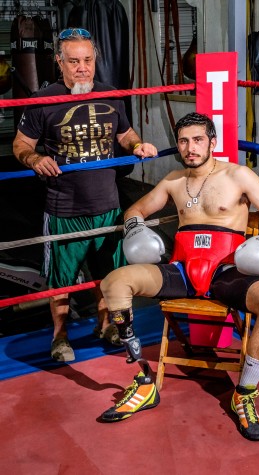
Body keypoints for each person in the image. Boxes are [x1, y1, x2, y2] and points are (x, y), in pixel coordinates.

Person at [98, 112, 259, 441]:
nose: (191, 147)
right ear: (178, 145)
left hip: (226, 271)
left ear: (212, 142)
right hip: (181, 270)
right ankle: (145, 380)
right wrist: (134, 227)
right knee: (115, 281)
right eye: (184, 141)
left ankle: (244, 394)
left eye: (198, 140)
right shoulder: (173, 181)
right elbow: (135, 210)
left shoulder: (239, 176)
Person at [12, 28, 157, 363]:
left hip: (107, 204)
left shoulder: (110, 95)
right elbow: (20, 144)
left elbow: (125, 132)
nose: (81, 68)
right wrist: (34, 159)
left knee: (109, 274)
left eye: (87, 60)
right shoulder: (42, 100)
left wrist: (138, 145)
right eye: (73, 61)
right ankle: (60, 337)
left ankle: (105, 324)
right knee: (61, 282)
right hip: (64, 208)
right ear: (59, 63)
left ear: (95, 61)